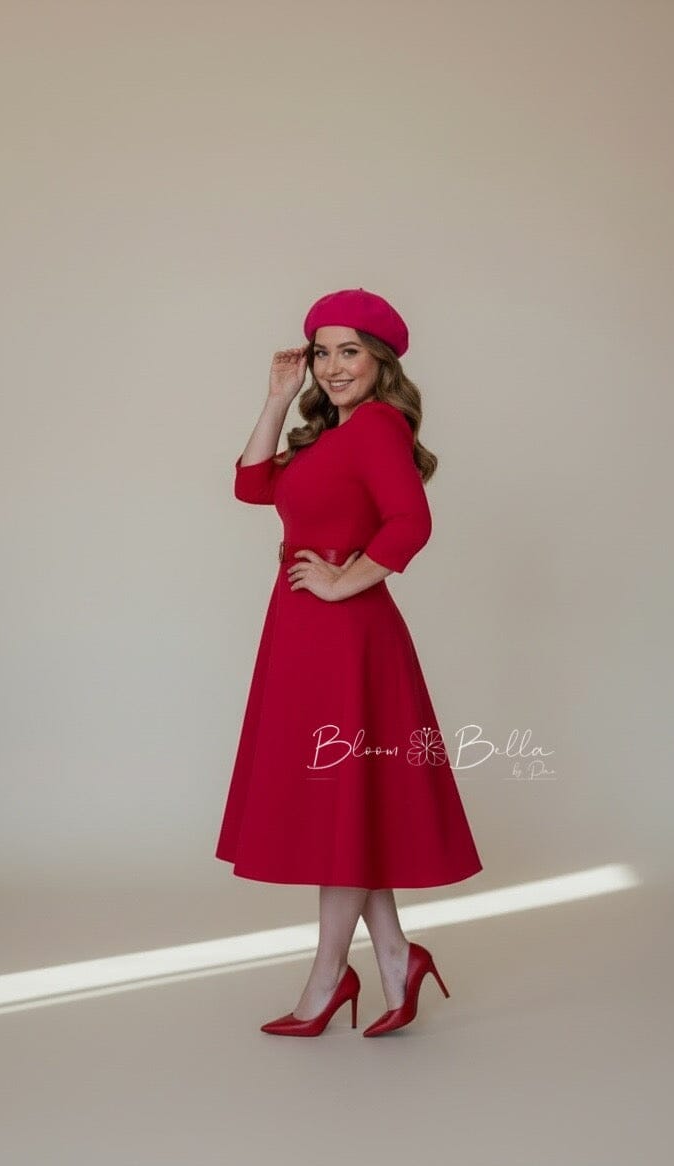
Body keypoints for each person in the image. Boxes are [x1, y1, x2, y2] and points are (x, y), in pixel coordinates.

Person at [215, 287, 483, 1037]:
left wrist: (342, 580)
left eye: (350, 352)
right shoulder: (328, 435)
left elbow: (411, 521)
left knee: (342, 806)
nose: (333, 367)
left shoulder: (377, 427)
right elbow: (250, 484)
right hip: (306, 634)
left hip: (348, 638)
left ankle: (329, 976)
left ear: (381, 361)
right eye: (322, 352)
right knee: (348, 806)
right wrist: (278, 397)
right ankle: (396, 957)